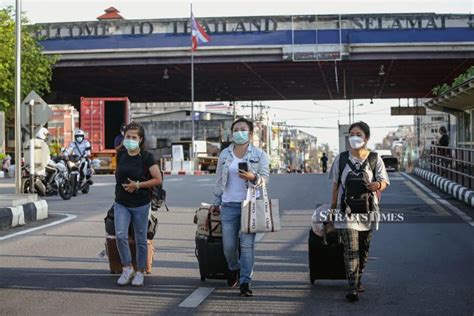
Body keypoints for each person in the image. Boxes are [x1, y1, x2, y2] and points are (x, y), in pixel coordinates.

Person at [328, 121, 390, 302]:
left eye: (359, 134)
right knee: (350, 248)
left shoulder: (375, 159)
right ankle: (353, 285)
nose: (354, 137)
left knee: (363, 248)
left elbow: (384, 181)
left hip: (368, 211)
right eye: (351, 134)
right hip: (346, 212)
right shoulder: (340, 159)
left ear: (366, 138)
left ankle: (358, 277)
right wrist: (332, 210)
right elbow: (335, 187)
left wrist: (378, 185)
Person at [210, 117, 270, 297]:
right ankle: (233, 268)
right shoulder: (225, 154)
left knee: (247, 246)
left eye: (242, 129)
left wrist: (253, 177)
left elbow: (265, 178)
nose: (238, 133)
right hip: (228, 204)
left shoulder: (260, 154)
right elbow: (219, 179)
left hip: (250, 205)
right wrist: (216, 201)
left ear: (250, 134)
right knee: (228, 245)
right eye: (235, 130)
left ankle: (245, 281)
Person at [114, 122, 162, 287]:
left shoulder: (147, 157)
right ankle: (127, 267)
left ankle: (140, 270)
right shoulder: (120, 154)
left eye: (134, 137)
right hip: (121, 202)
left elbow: (158, 179)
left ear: (140, 139)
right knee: (120, 236)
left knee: (141, 239)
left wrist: (138, 185)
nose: (130, 140)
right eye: (128, 137)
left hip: (141, 203)